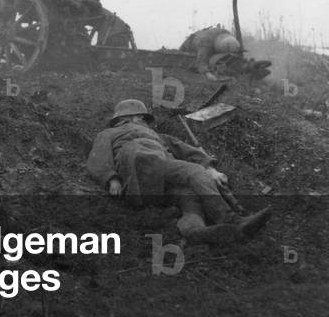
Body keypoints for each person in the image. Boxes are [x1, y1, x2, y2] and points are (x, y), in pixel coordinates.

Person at [87, 99, 271, 245]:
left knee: (189, 196)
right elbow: (98, 158)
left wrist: (210, 167)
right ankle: (230, 219)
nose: (144, 122)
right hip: (139, 163)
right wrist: (111, 179)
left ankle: (195, 232)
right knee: (194, 172)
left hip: (153, 187)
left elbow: (185, 149)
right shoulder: (109, 133)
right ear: (129, 118)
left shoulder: (159, 137)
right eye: (142, 118)